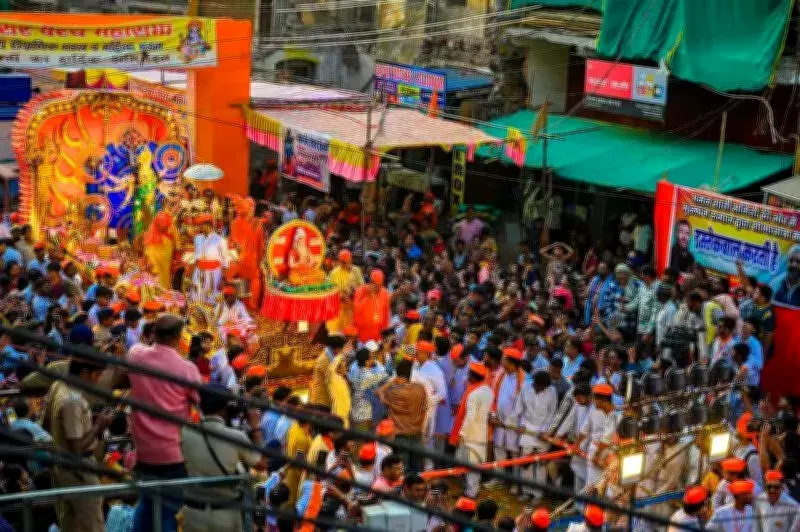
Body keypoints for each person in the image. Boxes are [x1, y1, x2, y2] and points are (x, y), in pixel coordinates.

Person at [128, 314, 202, 532]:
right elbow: (201, 401)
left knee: (147, 503)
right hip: (173, 453)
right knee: (169, 511)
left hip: (144, 450)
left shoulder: (136, 355)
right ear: (179, 337)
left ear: (154, 334)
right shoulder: (186, 369)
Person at [181, 384, 265, 531]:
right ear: (226, 408)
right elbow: (261, 464)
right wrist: (256, 429)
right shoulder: (236, 437)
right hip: (225, 514)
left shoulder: (184, 432)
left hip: (193, 514)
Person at [44, 356, 112, 532]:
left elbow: (47, 422)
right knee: (93, 524)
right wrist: (98, 427)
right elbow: (77, 449)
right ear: (84, 373)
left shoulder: (58, 385)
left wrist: (87, 422)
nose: (98, 380)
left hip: (62, 466)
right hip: (79, 470)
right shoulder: (72, 400)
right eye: (97, 374)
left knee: (70, 522)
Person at [376, 357, 428, 473]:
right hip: (417, 433)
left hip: (400, 436)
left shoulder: (393, 392)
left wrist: (392, 381)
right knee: (417, 470)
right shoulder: (420, 388)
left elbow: (378, 392)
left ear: (398, 375)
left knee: (401, 471)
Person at [512, 370, 557, 502]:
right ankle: (526, 491)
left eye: (543, 387)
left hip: (543, 433)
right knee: (526, 463)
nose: (540, 389)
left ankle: (537, 494)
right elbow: (518, 407)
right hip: (527, 429)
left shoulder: (551, 391)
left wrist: (546, 430)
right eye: (538, 386)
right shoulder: (525, 387)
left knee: (541, 465)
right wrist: (518, 423)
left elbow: (552, 413)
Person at [451, 362, 493, 498]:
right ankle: (470, 490)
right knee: (473, 463)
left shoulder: (474, 394)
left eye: (469, 374)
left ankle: (471, 493)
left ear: (474, 377)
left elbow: (470, 417)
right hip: (481, 433)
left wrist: (462, 434)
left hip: (470, 434)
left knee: (470, 465)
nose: (467, 376)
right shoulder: (488, 390)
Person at [489, 347, 524, 490]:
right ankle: (498, 479)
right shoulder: (500, 375)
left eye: (504, 359)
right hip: (498, 420)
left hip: (514, 423)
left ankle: (516, 484)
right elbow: (493, 396)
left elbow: (521, 405)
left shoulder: (523, 379)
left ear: (511, 362)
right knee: (499, 449)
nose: (501, 361)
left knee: (514, 454)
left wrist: (508, 421)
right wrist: (493, 415)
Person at [192, 213, 229, 303]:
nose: (199, 227)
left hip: (214, 274)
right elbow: (196, 257)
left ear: (208, 225)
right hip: (199, 272)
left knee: (212, 300)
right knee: (197, 299)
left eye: (201, 224)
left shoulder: (220, 240)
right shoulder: (197, 238)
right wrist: (192, 274)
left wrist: (223, 279)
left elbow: (225, 260)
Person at [326, 249, 363, 335]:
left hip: (353, 310)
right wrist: (341, 297)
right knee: (339, 336)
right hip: (340, 311)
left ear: (351, 260)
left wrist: (355, 291)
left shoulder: (356, 270)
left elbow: (361, 288)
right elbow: (329, 293)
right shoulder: (334, 273)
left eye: (347, 261)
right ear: (339, 261)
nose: (345, 264)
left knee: (353, 335)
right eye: (343, 262)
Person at [353, 269, 391, 343]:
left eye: (378, 284)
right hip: (362, 332)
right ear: (370, 282)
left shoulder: (385, 293)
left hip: (377, 333)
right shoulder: (360, 291)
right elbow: (356, 310)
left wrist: (385, 332)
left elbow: (386, 314)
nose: (376, 287)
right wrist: (368, 296)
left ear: (382, 283)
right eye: (374, 283)